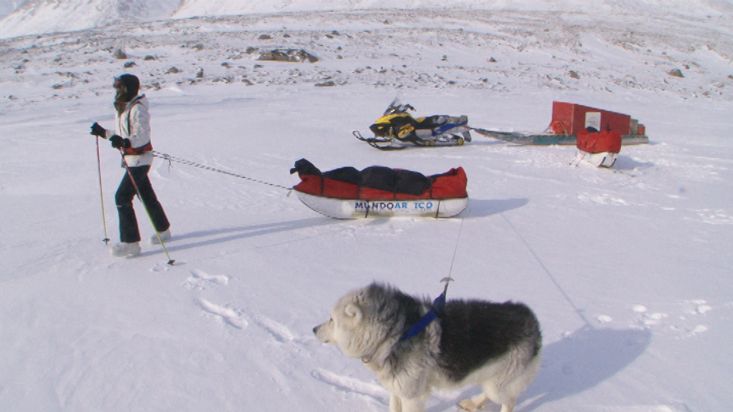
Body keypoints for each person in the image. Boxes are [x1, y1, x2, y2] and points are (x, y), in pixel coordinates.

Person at [90, 73, 171, 257]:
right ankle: (163, 230)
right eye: (116, 87)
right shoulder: (124, 108)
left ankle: (131, 243)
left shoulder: (137, 109)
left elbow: (141, 136)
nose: (117, 91)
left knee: (122, 197)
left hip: (140, 160)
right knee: (146, 195)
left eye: (120, 87)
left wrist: (126, 143)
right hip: (132, 160)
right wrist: (104, 133)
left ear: (129, 88)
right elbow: (122, 135)